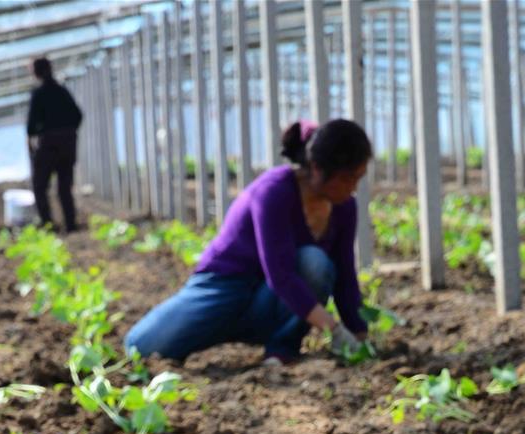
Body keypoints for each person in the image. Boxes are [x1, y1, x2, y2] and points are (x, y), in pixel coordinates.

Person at [125, 118, 372, 364]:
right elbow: (280, 274)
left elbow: (345, 276)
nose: (353, 188)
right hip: (225, 287)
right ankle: (216, 329)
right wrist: (334, 329)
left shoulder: (344, 208)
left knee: (315, 263)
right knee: (140, 347)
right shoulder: (274, 191)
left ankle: (282, 349)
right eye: (347, 178)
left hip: (268, 300)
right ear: (317, 167)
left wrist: (360, 336)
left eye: (358, 179)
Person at [27, 57, 83, 233]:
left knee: (40, 186)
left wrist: (44, 132)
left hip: (49, 145)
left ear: (35, 73)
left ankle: (48, 224)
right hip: (68, 144)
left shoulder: (39, 94)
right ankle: (70, 224)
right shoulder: (62, 91)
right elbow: (78, 116)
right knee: (64, 186)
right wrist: (68, 133)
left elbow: (31, 126)